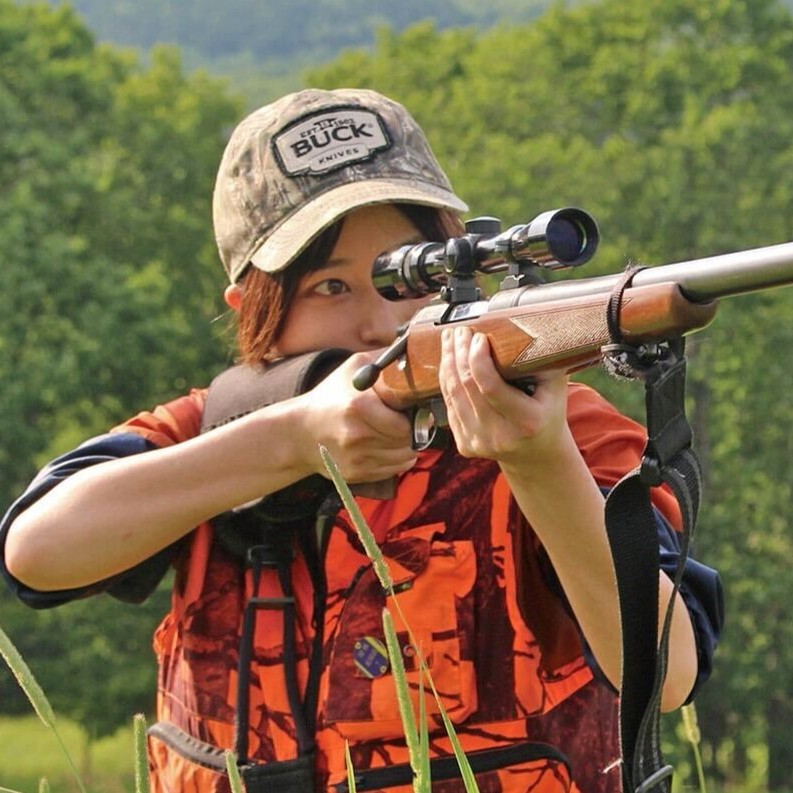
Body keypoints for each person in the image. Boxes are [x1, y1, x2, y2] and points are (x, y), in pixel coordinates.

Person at [0, 88, 722, 793]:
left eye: (411, 274)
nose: (379, 322)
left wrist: (539, 464)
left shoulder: (565, 428)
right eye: (331, 288)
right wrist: (287, 441)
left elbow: (668, 671)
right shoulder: (214, 427)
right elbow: (37, 551)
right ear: (250, 306)